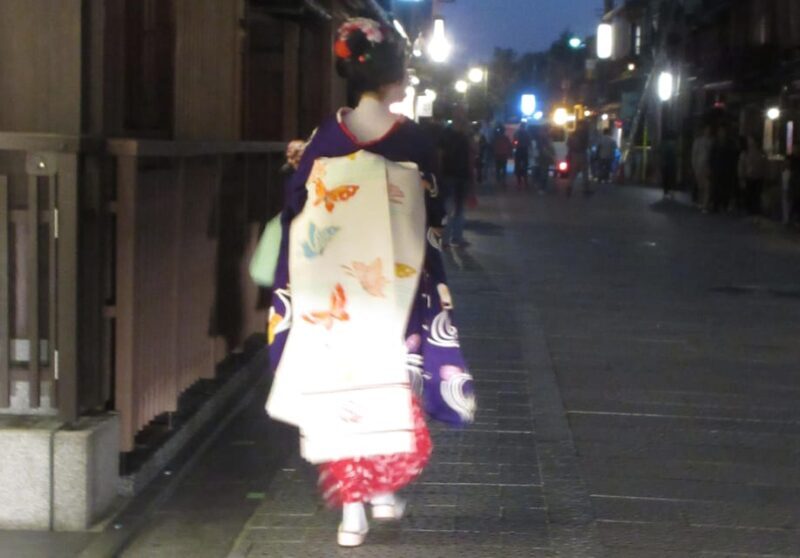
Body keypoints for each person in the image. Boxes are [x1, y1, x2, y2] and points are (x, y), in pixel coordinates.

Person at [264, 18, 475, 548]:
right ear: (392, 78)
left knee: (340, 389)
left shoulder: (326, 137)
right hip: (392, 292)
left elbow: (296, 208)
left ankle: (352, 514)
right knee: (390, 382)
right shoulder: (414, 140)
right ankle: (383, 492)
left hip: (331, 295)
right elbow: (431, 214)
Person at [439, 110, 473, 247]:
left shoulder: (446, 134)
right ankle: (455, 237)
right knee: (457, 208)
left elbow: (439, 155)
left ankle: (447, 238)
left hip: (450, 174)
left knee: (450, 207)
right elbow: (471, 155)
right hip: (458, 175)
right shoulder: (463, 137)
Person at [709, 126, 738, 212]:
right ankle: (716, 204)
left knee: (726, 186)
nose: (722, 133)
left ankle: (725, 204)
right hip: (717, 167)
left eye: (723, 131)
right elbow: (712, 155)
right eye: (720, 131)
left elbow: (733, 156)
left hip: (727, 168)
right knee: (716, 186)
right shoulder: (716, 142)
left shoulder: (730, 143)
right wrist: (710, 167)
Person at [737, 135, 767, 216]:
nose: (751, 143)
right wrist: (741, 177)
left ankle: (756, 210)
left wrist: (765, 175)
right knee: (749, 195)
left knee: (757, 195)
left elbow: (764, 164)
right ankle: (749, 210)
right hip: (748, 177)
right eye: (749, 141)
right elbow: (741, 166)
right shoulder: (745, 153)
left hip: (759, 177)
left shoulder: (761, 153)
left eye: (752, 141)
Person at [566, 121, 591, 197]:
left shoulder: (572, 134)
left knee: (573, 173)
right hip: (582, 154)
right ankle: (585, 189)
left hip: (574, 154)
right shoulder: (584, 134)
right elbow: (587, 144)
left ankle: (569, 188)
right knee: (585, 172)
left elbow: (568, 144)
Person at [692, 125, 714, 211]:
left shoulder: (711, 141)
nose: (707, 131)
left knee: (707, 186)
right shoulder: (698, 141)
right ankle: (701, 202)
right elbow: (694, 155)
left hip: (707, 166)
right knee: (700, 186)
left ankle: (705, 204)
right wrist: (694, 167)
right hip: (699, 166)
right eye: (706, 129)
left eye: (709, 130)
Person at [659, 131, 678, 199]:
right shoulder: (673, 146)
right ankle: (672, 192)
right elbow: (675, 156)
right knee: (672, 178)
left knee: (666, 178)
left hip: (666, 164)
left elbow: (661, 153)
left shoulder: (664, 145)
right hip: (672, 164)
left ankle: (666, 192)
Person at [513, 122, 531, 189]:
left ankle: (519, 182)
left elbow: (514, 141)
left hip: (519, 150)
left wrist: (516, 145)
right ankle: (525, 181)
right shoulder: (526, 133)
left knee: (518, 166)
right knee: (525, 166)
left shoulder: (517, 133)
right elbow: (529, 142)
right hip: (524, 151)